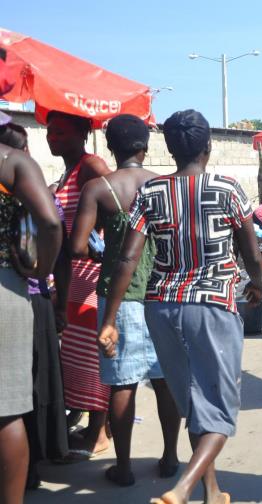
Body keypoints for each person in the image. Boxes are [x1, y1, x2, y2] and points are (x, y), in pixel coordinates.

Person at [98, 109, 262, 504]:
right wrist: (256, 283)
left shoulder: (151, 193)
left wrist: (110, 320)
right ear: (208, 146)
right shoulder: (227, 188)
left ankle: (212, 491)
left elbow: (126, 258)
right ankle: (182, 488)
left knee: (194, 402)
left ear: (169, 149)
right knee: (220, 410)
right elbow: (252, 251)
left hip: (161, 307)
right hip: (212, 306)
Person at [70, 114, 181, 487]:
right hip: (165, 295)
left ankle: (124, 467)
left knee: (123, 384)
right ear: (145, 148)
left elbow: (77, 245)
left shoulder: (99, 189)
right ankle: (169, 457)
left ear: (111, 147)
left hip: (120, 300)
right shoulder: (166, 185)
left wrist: (102, 253)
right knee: (165, 381)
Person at [0, 112, 63, 503]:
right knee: (6, 410)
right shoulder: (13, 161)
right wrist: (42, 268)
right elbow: (51, 223)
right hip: (5, 287)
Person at [46, 110, 113, 458]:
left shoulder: (92, 167)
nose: (52, 138)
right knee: (76, 358)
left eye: (59, 133)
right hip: (72, 280)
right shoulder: (69, 173)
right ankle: (92, 424)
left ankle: (98, 433)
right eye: (50, 132)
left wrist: (96, 246)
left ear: (80, 134)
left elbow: (117, 206)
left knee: (91, 359)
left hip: (89, 279)